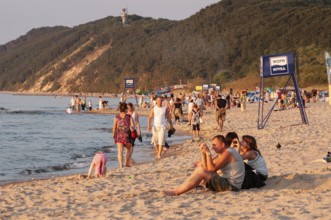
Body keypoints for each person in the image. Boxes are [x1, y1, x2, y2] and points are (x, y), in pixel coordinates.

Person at [162, 135, 245, 196]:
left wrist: (208, 153)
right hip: (228, 183)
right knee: (200, 168)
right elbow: (206, 166)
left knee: (201, 171)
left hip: (231, 186)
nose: (213, 148)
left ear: (222, 145)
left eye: (214, 145)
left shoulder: (228, 153)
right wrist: (203, 153)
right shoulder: (223, 153)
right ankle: (179, 189)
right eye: (212, 145)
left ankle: (176, 192)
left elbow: (212, 169)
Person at [113, 102, 135, 168]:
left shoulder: (116, 117)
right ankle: (126, 163)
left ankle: (120, 165)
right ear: (126, 109)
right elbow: (133, 125)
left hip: (119, 134)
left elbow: (114, 127)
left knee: (120, 151)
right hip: (127, 134)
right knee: (129, 149)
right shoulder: (129, 116)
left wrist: (113, 134)